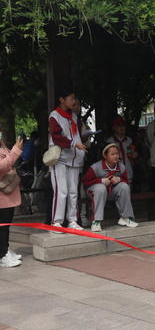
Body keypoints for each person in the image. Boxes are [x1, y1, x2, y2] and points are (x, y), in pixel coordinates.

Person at [49, 88, 87, 231]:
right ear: (62, 99)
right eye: (71, 98)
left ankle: (72, 220)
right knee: (61, 191)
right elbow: (56, 136)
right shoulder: (55, 116)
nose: (74, 101)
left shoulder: (74, 117)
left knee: (73, 191)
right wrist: (73, 144)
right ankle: (57, 222)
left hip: (75, 159)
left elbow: (75, 136)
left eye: (74, 98)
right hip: (60, 158)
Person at [82, 144, 138, 232]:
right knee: (100, 188)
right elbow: (85, 181)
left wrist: (119, 179)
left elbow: (126, 181)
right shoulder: (96, 167)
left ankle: (126, 217)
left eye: (117, 154)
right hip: (94, 192)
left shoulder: (121, 166)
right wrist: (102, 181)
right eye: (112, 154)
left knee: (124, 186)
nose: (115, 156)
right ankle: (96, 221)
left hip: (111, 192)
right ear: (105, 155)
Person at [0, 135, 24, 267]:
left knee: (5, 224)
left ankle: (5, 249)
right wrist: (16, 150)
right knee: (2, 226)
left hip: (6, 191)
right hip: (1, 194)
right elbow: (2, 166)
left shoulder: (1, 143)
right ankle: (3, 256)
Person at [106, 117, 135, 182]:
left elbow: (131, 154)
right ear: (113, 128)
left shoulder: (129, 140)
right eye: (118, 126)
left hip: (128, 169)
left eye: (123, 126)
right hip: (115, 171)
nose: (121, 128)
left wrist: (134, 155)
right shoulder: (110, 141)